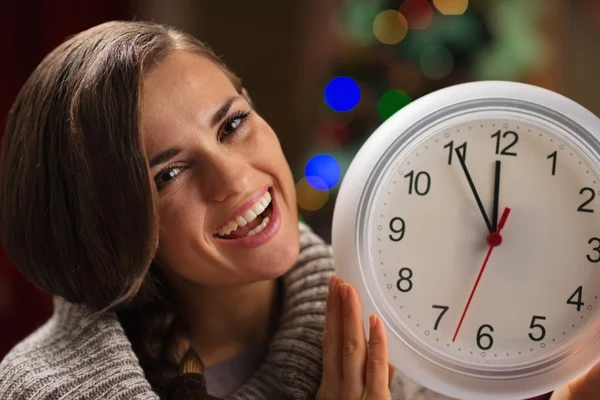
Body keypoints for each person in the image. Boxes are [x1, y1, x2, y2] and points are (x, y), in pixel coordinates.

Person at [0, 20, 595, 400]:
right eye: (169, 173)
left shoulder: (410, 332)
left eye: (233, 124)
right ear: (101, 225)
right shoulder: (38, 389)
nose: (234, 178)